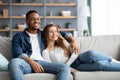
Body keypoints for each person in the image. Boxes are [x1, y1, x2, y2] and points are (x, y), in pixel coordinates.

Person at [8, 10, 79, 80]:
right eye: (32, 19)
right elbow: (17, 54)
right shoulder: (18, 36)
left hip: (44, 63)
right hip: (27, 64)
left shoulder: (44, 34)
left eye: (38, 19)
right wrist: (32, 62)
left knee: (65, 67)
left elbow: (62, 33)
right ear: (27, 21)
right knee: (13, 62)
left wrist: (73, 41)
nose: (36, 21)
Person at [42, 24, 120, 73]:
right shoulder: (45, 52)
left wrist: (71, 44)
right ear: (46, 34)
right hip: (73, 66)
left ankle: (111, 59)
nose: (54, 34)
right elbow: (52, 67)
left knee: (91, 53)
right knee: (100, 65)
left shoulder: (62, 42)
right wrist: (69, 69)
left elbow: (75, 52)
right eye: (51, 32)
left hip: (78, 58)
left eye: (56, 31)